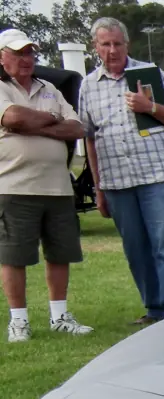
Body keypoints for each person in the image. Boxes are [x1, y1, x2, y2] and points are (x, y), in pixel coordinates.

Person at [78, 16, 164, 326]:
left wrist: (150, 107)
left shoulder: (149, 75)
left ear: (127, 44)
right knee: (136, 250)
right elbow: (90, 137)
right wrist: (98, 188)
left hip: (157, 176)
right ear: (95, 47)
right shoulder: (88, 85)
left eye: (118, 43)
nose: (112, 50)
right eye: (106, 44)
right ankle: (154, 310)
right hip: (117, 181)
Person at [0, 29, 92, 342]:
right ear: (2, 57)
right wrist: (52, 122)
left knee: (60, 253)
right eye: (18, 53)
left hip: (58, 188)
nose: (26, 59)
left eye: (29, 53)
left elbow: (77, 128)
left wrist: (36, 124)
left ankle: (60, 316)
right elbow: (12, 118)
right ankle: (19, 322)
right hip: (14, 187)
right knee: (14, 257)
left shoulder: (50, 88)